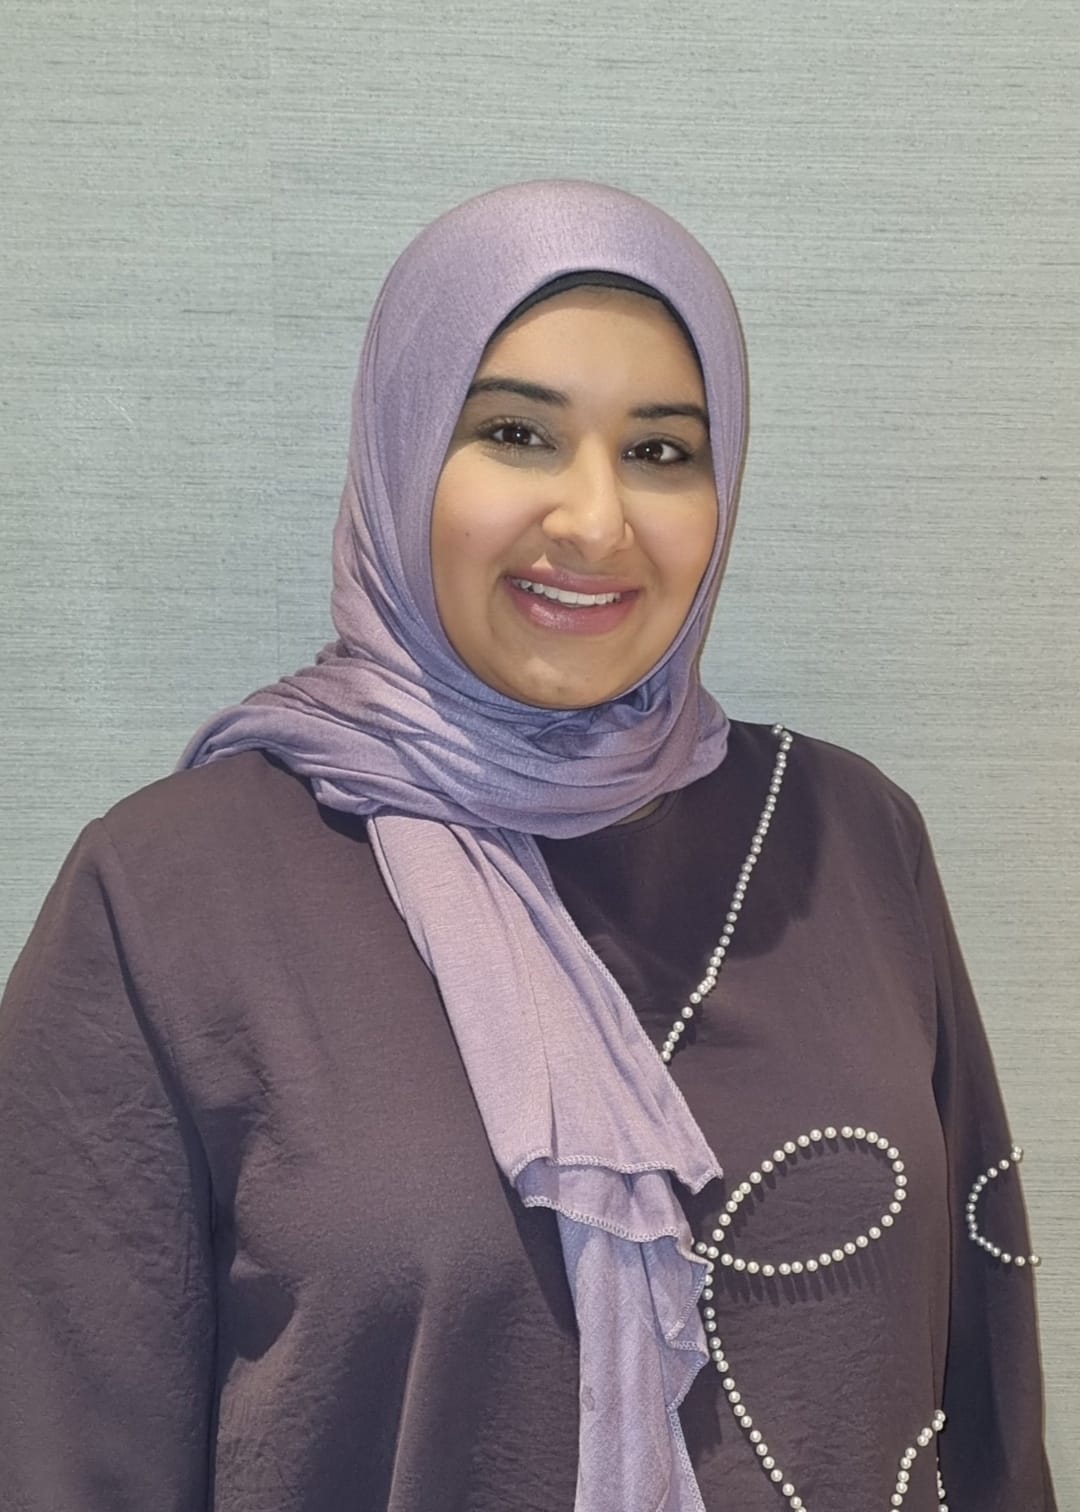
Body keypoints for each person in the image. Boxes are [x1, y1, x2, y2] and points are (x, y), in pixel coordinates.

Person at [0, 179, 1056, 1512]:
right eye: (516, 433)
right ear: (402, 452)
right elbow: (60, 1452)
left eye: (662, 451)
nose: (597, 521)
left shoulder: (848, 840)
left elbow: (983, 1414)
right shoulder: (169, 897)